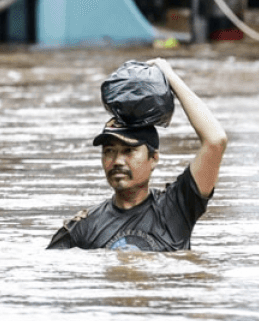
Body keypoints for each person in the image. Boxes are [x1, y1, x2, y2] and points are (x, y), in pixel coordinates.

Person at [47, 58, 227, 251]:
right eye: (109, 151)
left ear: (154, 158)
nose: (117, 161)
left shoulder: (175, 209)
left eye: (129, 151)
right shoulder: (83, 228)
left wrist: (170, 77)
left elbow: (215, 141)